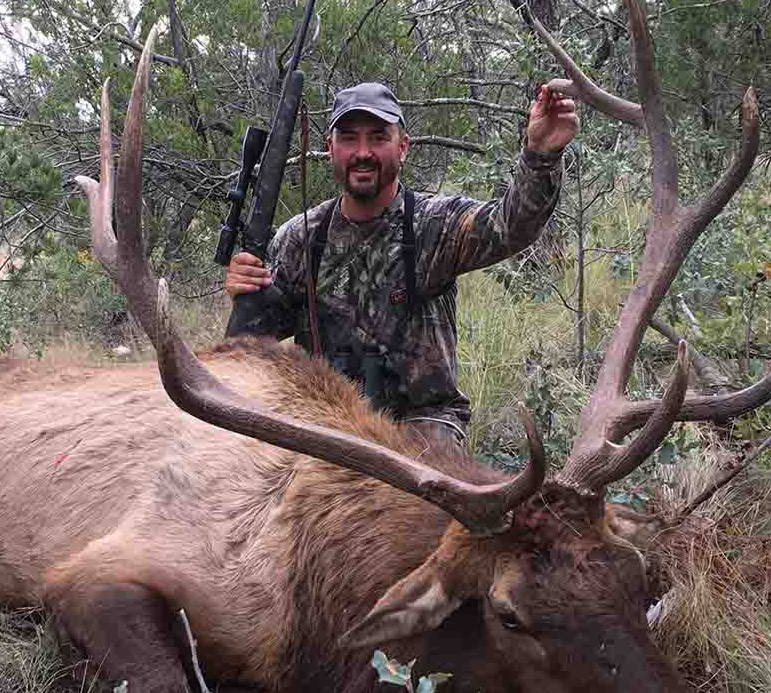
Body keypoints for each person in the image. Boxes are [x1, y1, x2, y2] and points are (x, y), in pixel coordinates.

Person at [225, 81, 579, 446]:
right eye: (348, 138)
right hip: (325, 420)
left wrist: (540, 156)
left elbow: (511, 226)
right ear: (330, 149)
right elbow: (250, 347)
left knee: (427, 496)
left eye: (378, 137)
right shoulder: (299, 238)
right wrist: (245, 289)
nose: (363, 152)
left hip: (421, 424)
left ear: (403, 147)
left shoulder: (434, 224)